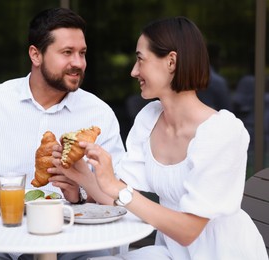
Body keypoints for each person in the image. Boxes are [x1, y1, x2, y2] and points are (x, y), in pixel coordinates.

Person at [51, 17, 268, 259]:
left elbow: (188, 231)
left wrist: (117, 187)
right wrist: (83, 175)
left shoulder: (222, 132)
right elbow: (125, 204)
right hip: (171, 252)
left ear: (171, 62)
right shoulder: (150, 118)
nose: (134, 71)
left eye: (140, 59)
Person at [0, 7, 125, 260]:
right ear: (36, 54)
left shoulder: (99, 114)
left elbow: (119, 188)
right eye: (67, 52)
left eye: (82, 53)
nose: (78, 63)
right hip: (1, 240)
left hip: (77, 239)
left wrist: (80, 194)